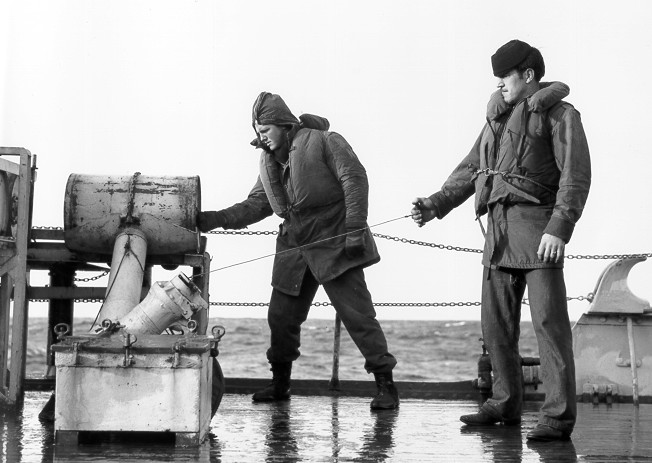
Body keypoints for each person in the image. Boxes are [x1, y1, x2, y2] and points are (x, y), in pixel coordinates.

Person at [411, 39, 591, 441]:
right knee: (495, 327)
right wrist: (435, 204)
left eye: (505, 77)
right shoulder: (496, 120)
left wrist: (559, 228)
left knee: (550, 328)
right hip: (498, 235)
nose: (499, 85)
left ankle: (557, 418)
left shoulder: (560, 115)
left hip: (539, 233)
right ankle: (504, 402)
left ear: (528, 76)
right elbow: (471, 168)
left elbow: (575, 176)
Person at [198, 92, 399, 410]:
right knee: (280, 318)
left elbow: (355, 179)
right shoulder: (268, 162)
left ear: (283, 124)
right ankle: (280, 384)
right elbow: (256, 205)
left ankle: (386, 386)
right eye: (258, 132)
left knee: (358, 317)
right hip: (293, 246)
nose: (261, 137)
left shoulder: (326, 141)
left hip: (335, 240)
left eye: (266, 130)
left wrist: (355, 228)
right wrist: (213, 219)